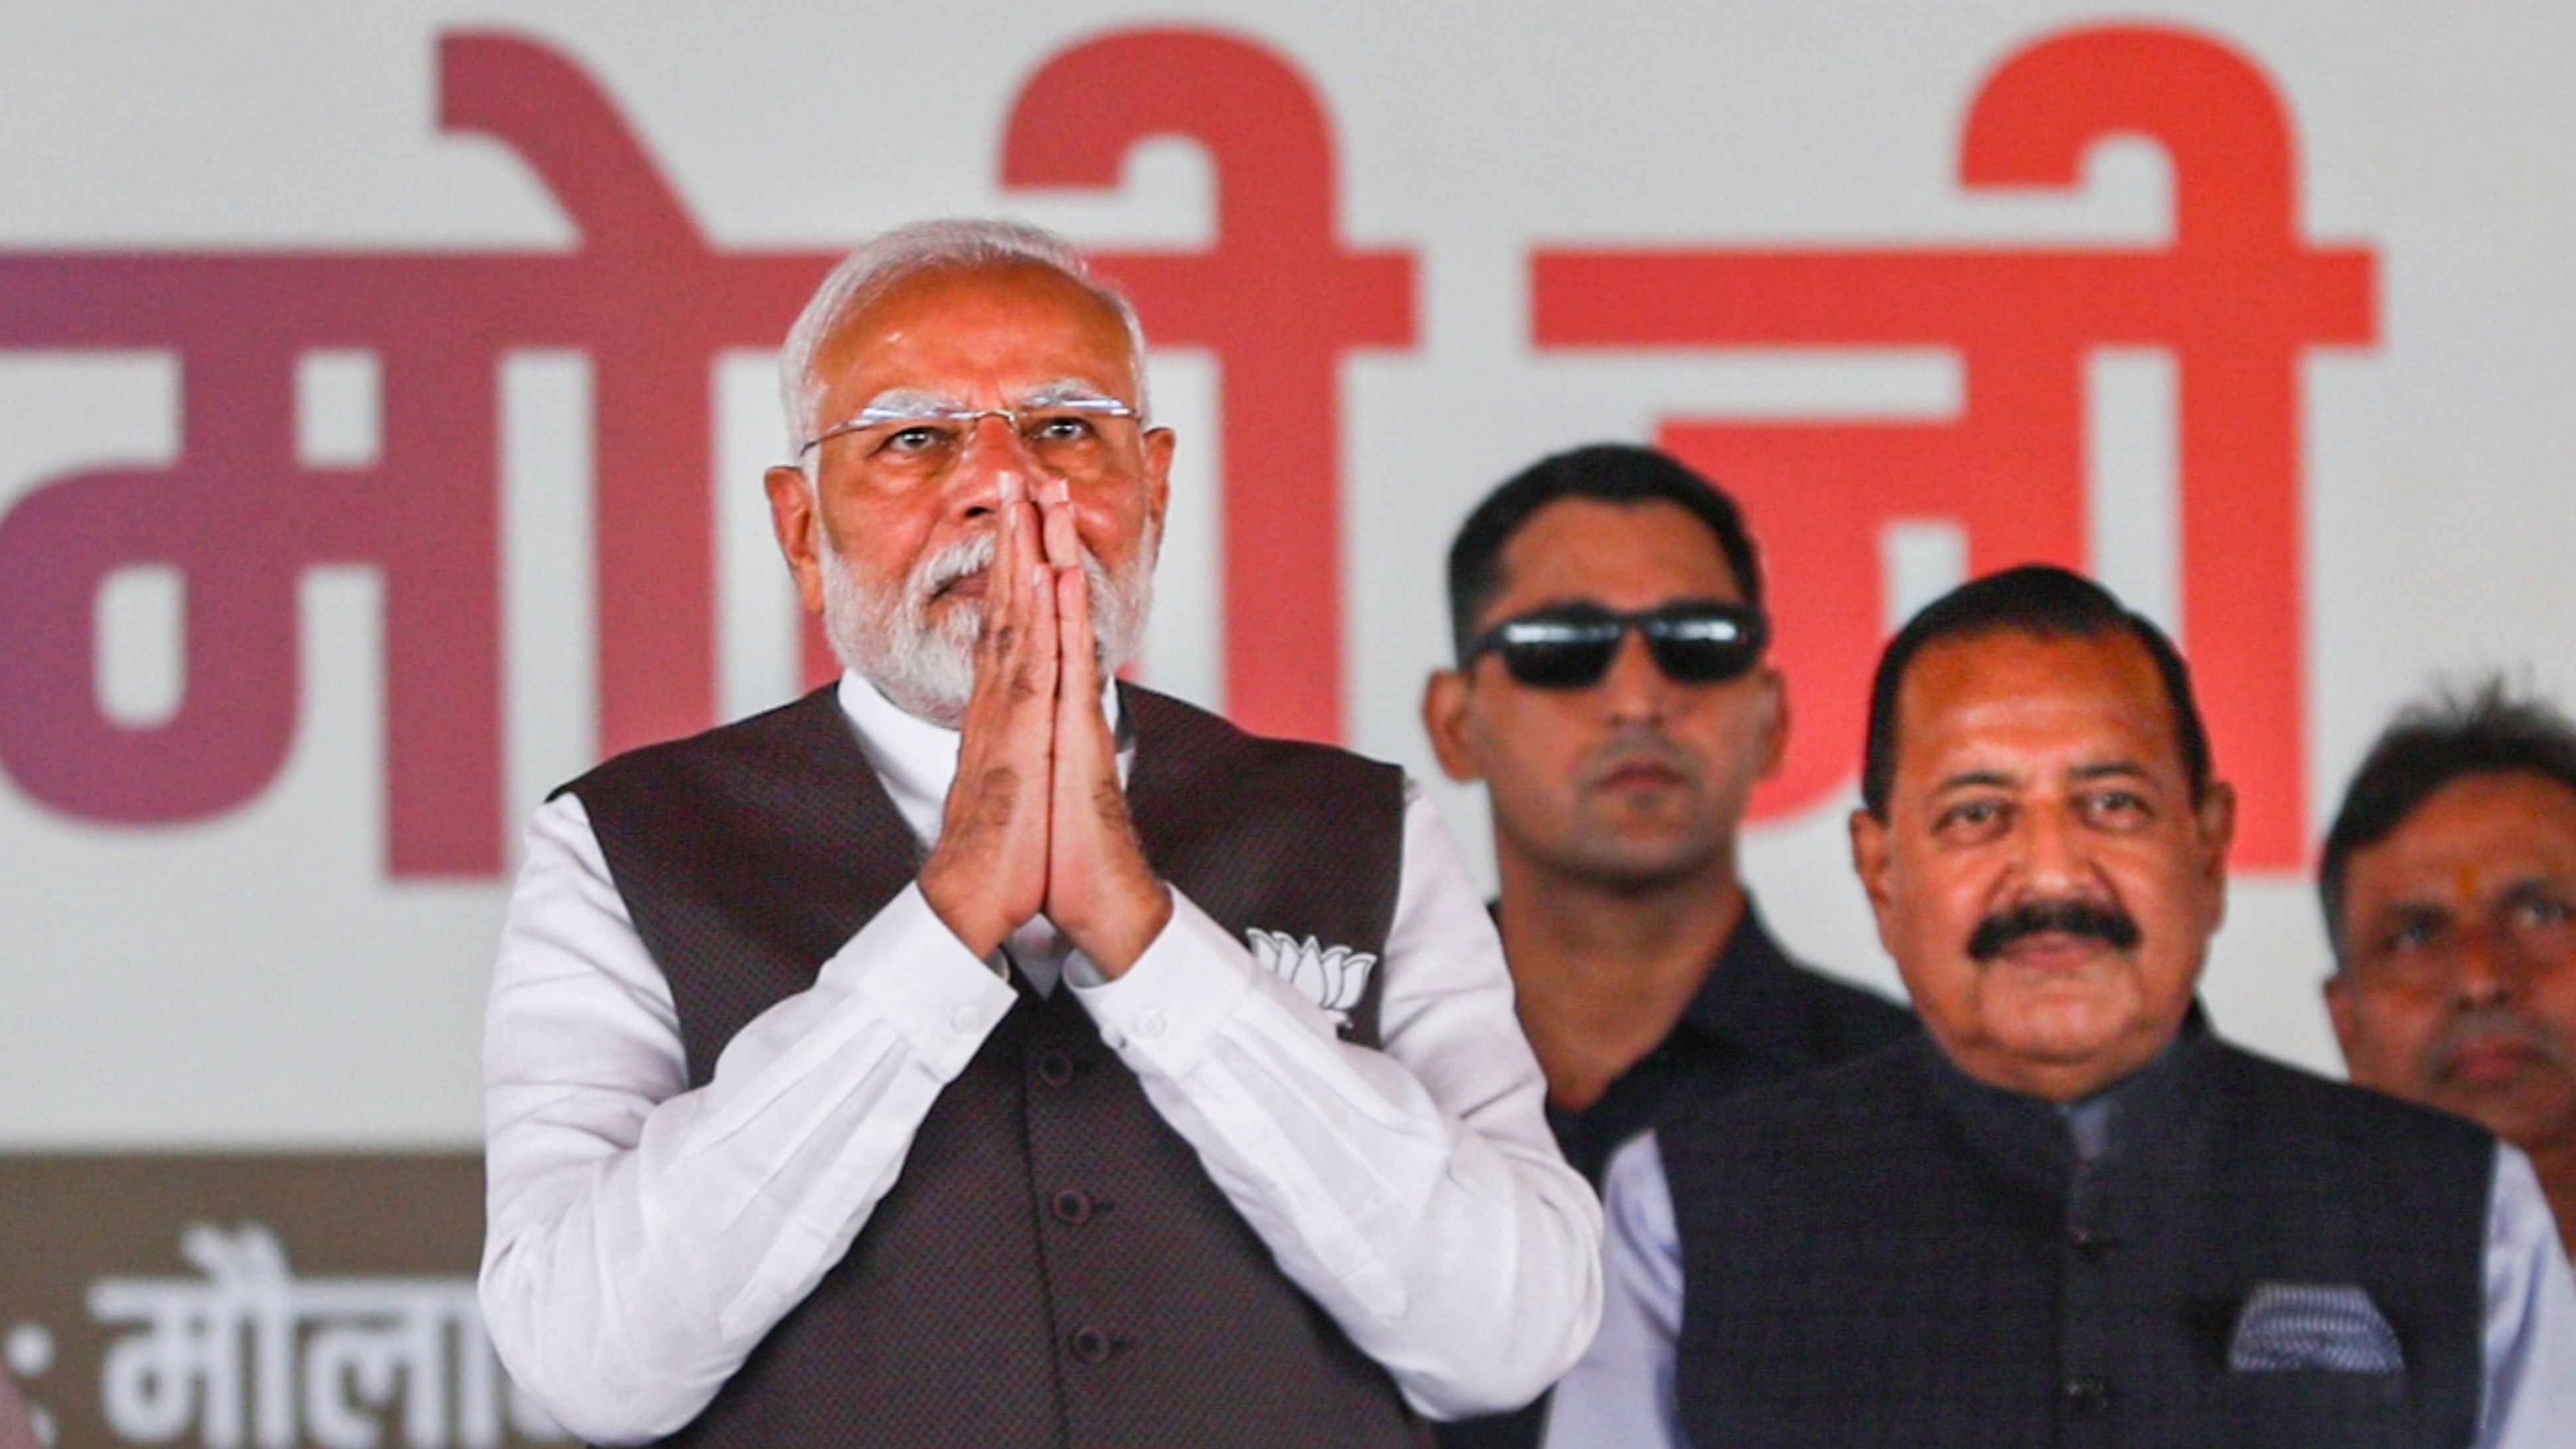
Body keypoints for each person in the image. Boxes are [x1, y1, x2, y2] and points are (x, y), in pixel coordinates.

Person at [477, 220, 1600, 1448]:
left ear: (1154, 487)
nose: (1008, 487)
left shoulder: (1357, 824)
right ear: (803, 530)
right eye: (915, 439)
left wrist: (1149, 938)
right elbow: (582, 1362)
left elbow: (1510, 1336)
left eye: (1066, 429)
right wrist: (949, 912)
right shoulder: (630, 845)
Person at [1550, 566, 2576, 1448]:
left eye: (2111, 804)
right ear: (1881, 872)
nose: (2049, 873)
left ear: (2208, 845)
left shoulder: (2462, 1205)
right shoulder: (1685, 1209)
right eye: (1977, 813)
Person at [1418, 447, 1910, 1446]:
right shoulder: (1339, 1071)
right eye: (1564, 645)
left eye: (1699, 641)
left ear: (1772, 715)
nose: (1639, 695)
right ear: (1454, 721)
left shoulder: (1910, 1098)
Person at [2322, 678, 2576, 1257]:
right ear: (2347, 1024)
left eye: (2541, 914)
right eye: (2414, 936)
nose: (2480, 979)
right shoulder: (2261, 1326)